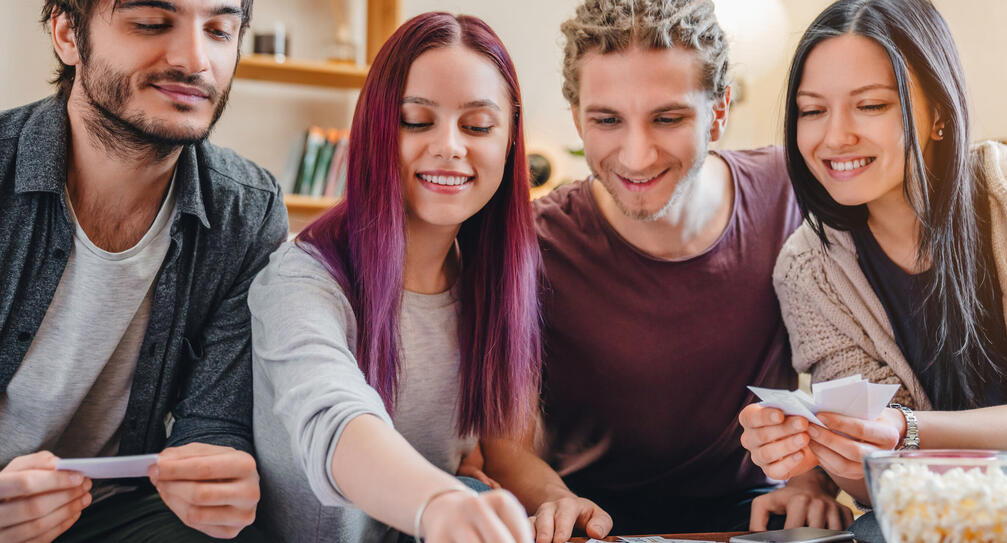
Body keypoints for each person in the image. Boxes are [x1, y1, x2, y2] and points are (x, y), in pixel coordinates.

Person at [482, 0, 854, 536]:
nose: (636, 155)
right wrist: (555, 501)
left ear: (718, 112)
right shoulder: (533, 241)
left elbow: (845, 364)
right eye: (607, 120)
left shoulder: (790, 194)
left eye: (669, 117)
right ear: (577, 119)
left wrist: (811, 480)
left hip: (755, 518)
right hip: (594, 524)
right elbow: (504, 442)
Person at [250, 12, 604, 543]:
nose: (450, 146)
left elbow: (507, 452)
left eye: (478, 126)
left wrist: (557, 501)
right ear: (374, 132)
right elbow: (336, 420)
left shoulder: (496, 280)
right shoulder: (301, 279)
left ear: (510, 142)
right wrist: (442, 502)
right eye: (416, 121)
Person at [739, 0, 1007, 537]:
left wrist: (901, 430)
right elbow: (874, 484)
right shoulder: (809, 267)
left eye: (871, 105)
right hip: (927, 526)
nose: (834, 137)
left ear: (940, 113)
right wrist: (826, 447)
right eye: (812, 111)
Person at [0, 0, 286, 541]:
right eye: (152, 24)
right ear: (67, 34)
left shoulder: (248, 210)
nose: (194, 60)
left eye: (221, 31)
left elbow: (214, 423)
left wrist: (218, 478)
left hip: (120, 512)